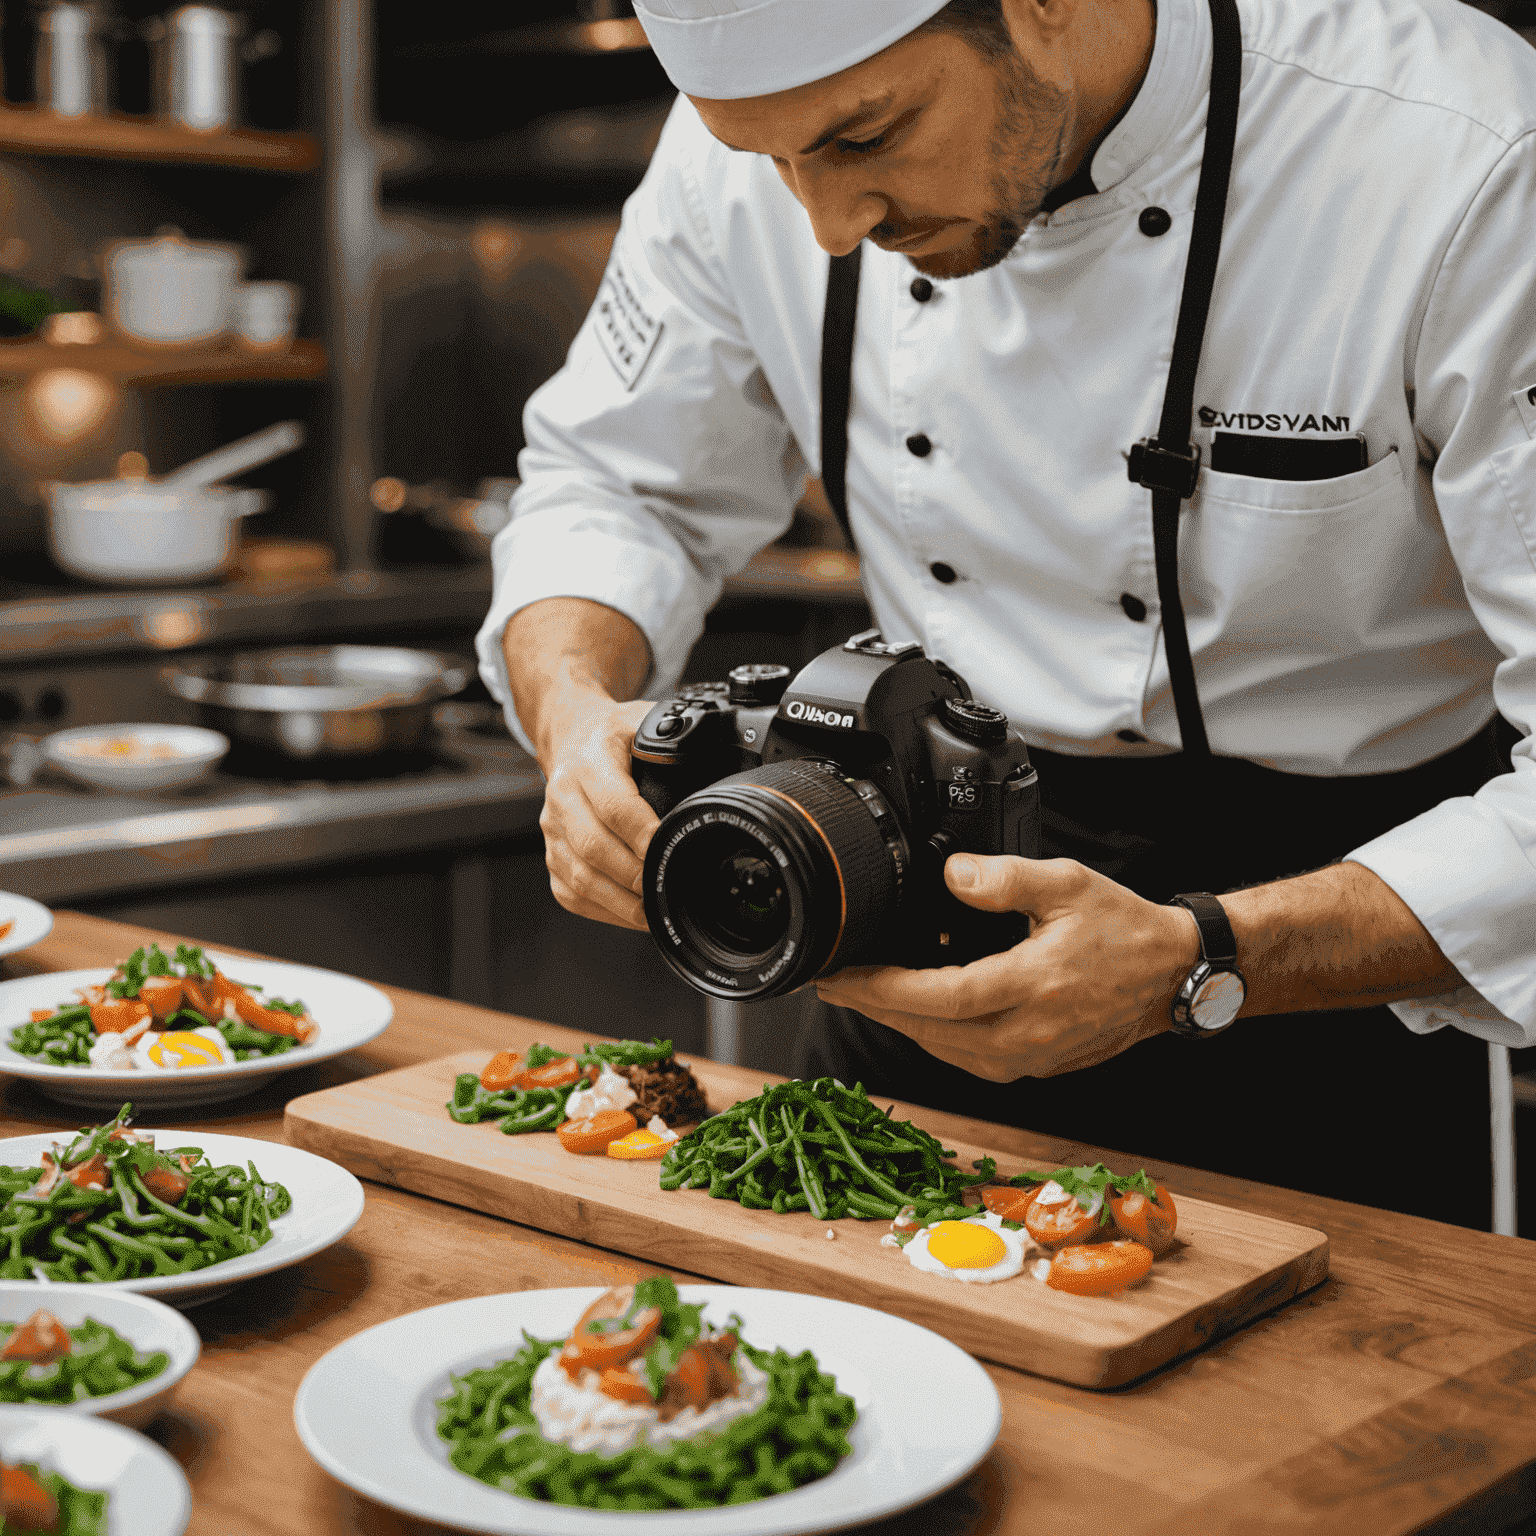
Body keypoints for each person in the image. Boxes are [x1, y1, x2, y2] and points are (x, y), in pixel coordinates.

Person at [476, 0, 1536, 1225]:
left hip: (1337, 970)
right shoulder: (753, 147)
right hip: (911, 910)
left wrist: (1206, 955)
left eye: (870, 134)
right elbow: (614, 484)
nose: (826, 225)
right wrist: (573, 715)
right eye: (773, 161)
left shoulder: (1466, 159)